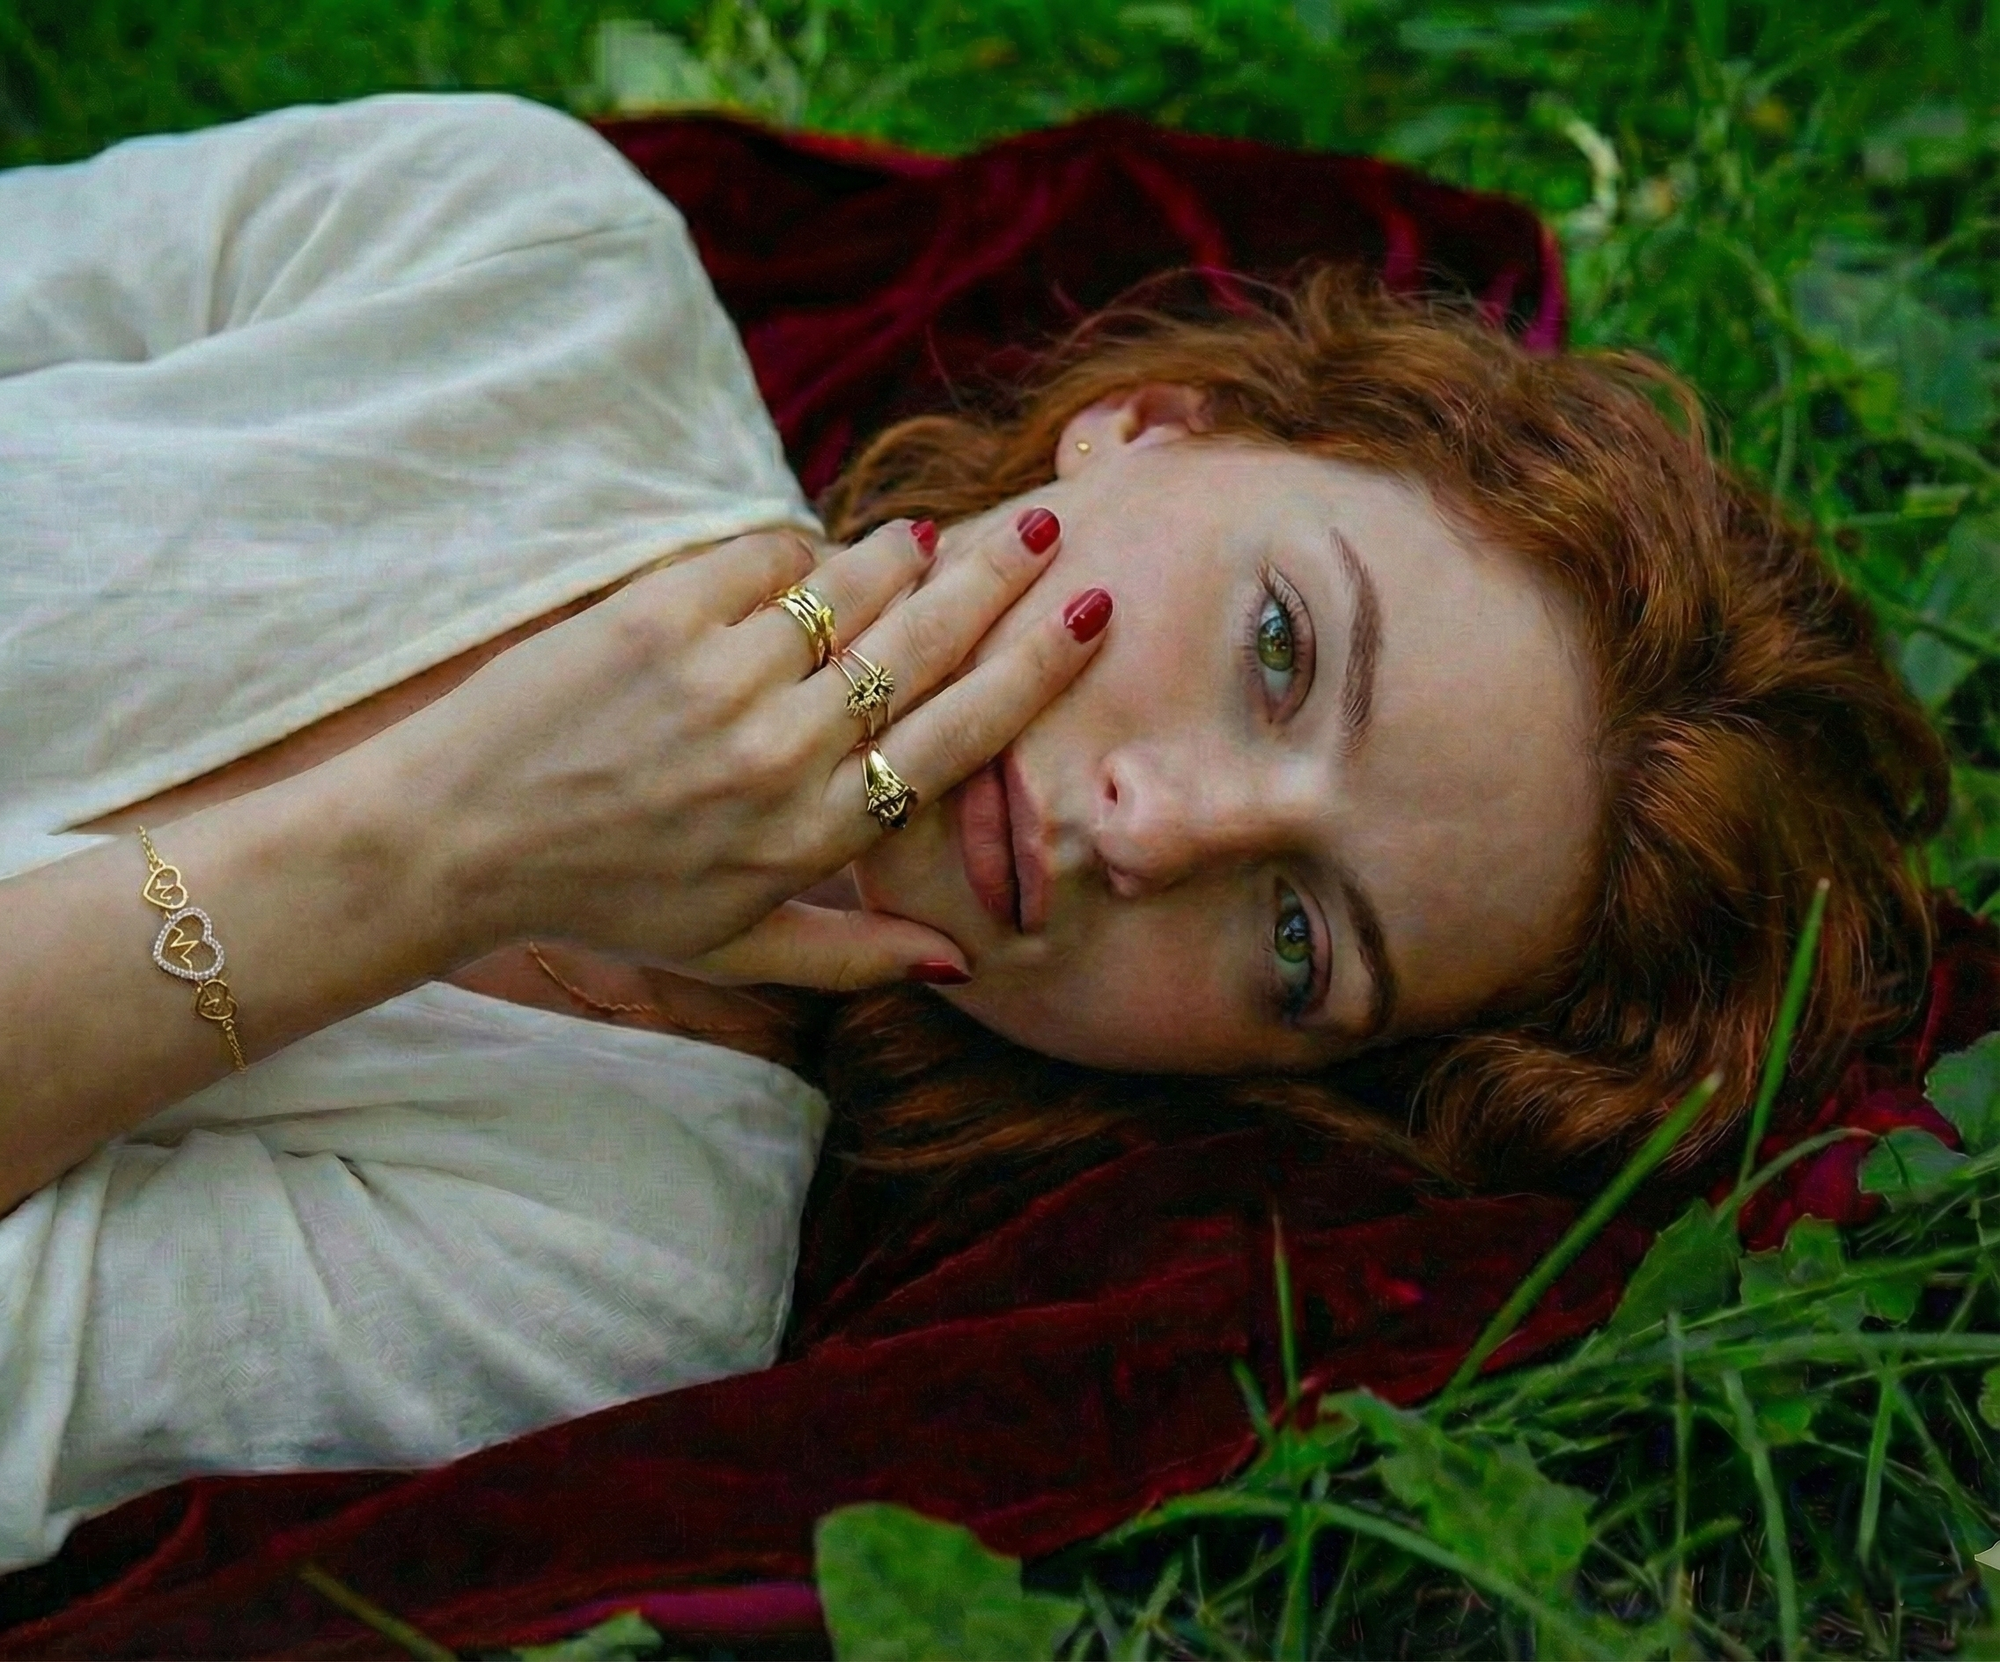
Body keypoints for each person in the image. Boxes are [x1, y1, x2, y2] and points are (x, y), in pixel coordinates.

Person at [0, 91, 1947, 1573]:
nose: (1150, 826)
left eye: (1296, 940)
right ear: (1159, 426)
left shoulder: (600, 1277)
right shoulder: (525, 266)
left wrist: (451, 846)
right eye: (1278, 648)